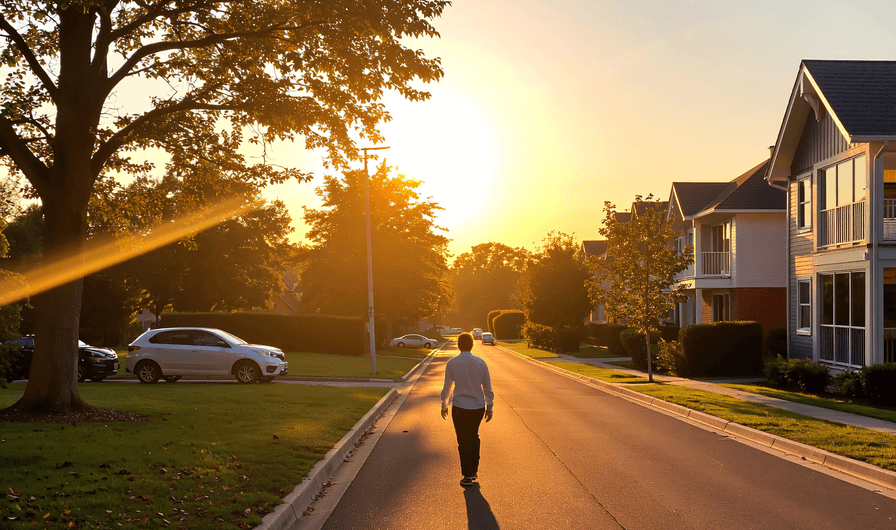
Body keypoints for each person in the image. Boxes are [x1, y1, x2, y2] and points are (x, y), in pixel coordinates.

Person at [440, 332, 494, 487]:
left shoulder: (452, 363)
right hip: (477, 407)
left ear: (459, 345)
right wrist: (489, 407)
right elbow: (488, 388)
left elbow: (447, 387)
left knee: (463, 439)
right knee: (473, 436)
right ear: (472, 344)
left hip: (460, 406)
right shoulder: (481, 363)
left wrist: (444, 404)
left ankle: (467, 474)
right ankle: (474, 470)